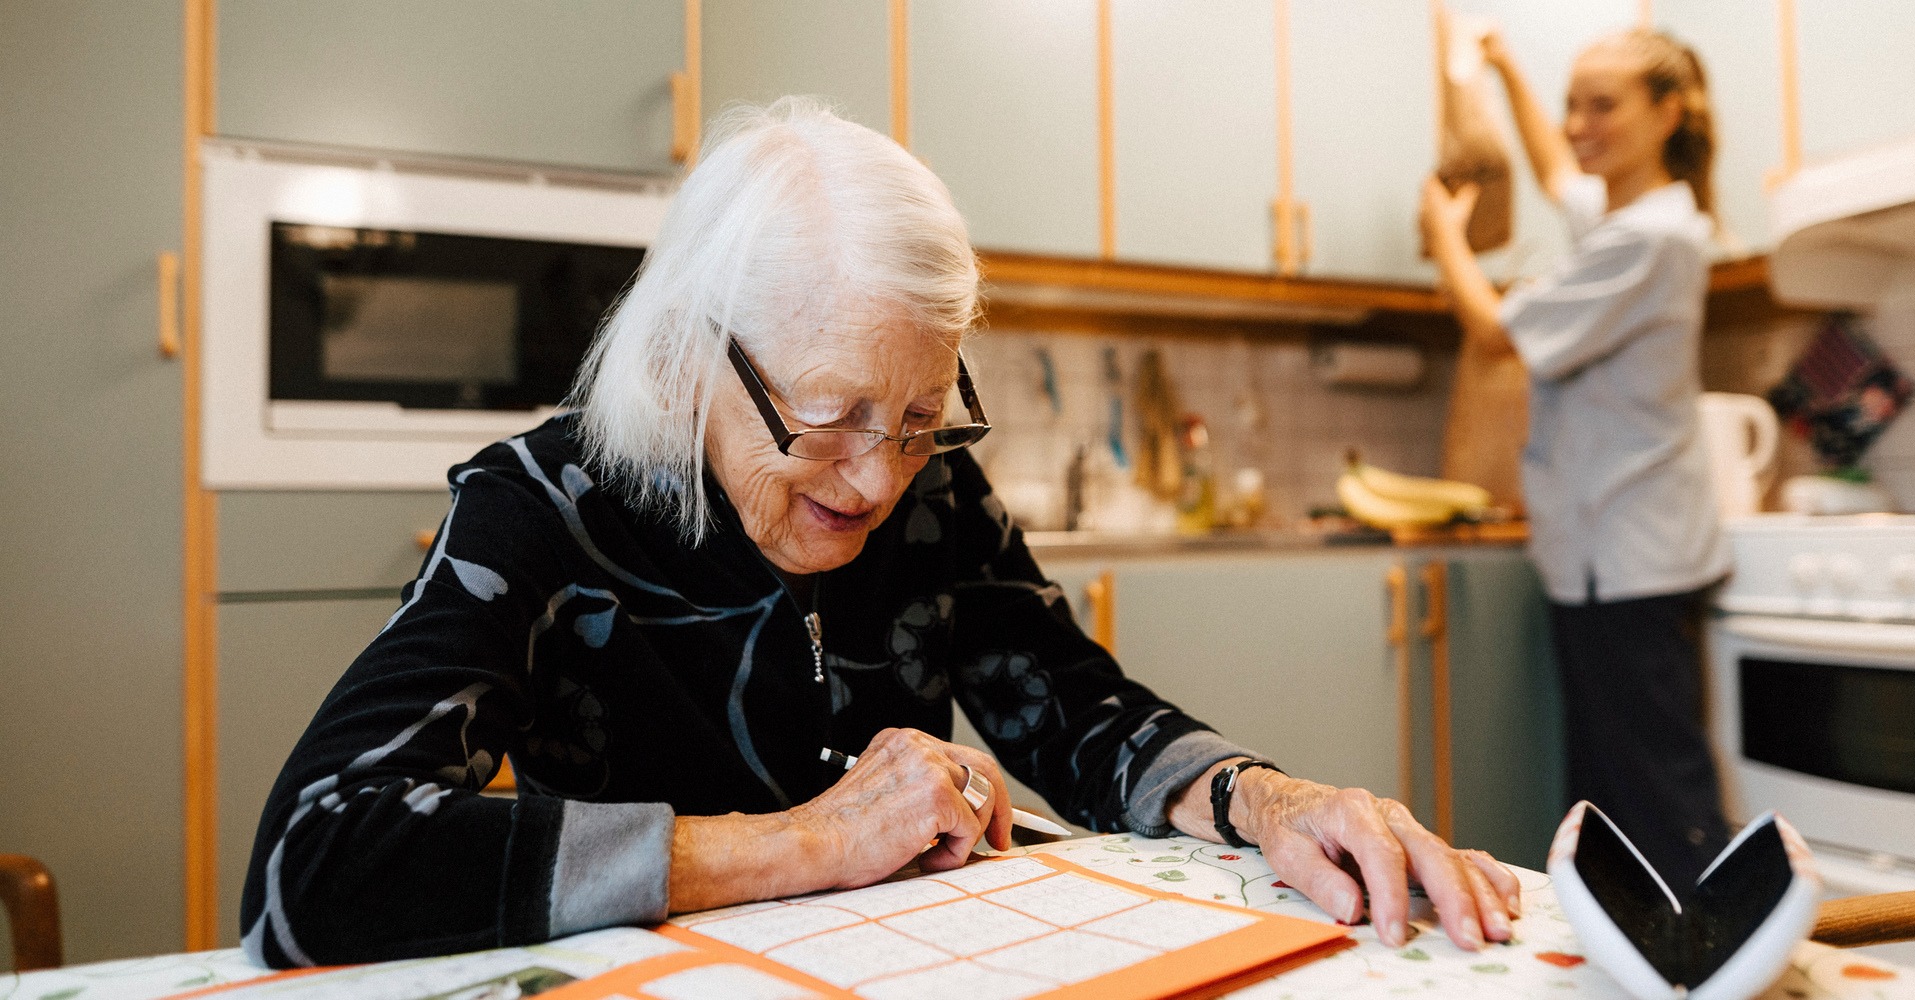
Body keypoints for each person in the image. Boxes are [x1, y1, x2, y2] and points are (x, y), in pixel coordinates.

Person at [243, 98, 1518, 969]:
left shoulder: (929, 491)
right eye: (831, 417)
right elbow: (315, 860)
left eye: (917, 417)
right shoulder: (540, 504)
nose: (871, 480)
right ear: (692, 362)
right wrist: (813, 842)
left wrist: (1267, 799)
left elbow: (1070, 709)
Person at [1419, 29, 1733, 890]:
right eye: (1573, 102)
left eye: (1605, 104)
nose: (1580, 123)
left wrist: (1443, 230)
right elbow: (1559, 171)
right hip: (1609, 558)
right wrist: (1506, 67)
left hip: (1629, 559)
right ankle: (1637, 962)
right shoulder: (1633, 219)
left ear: (1668, 112)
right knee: (1612, 802)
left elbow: (1492, 336)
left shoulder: (1651, 239)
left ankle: (1709, 959)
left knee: (1661, 805)